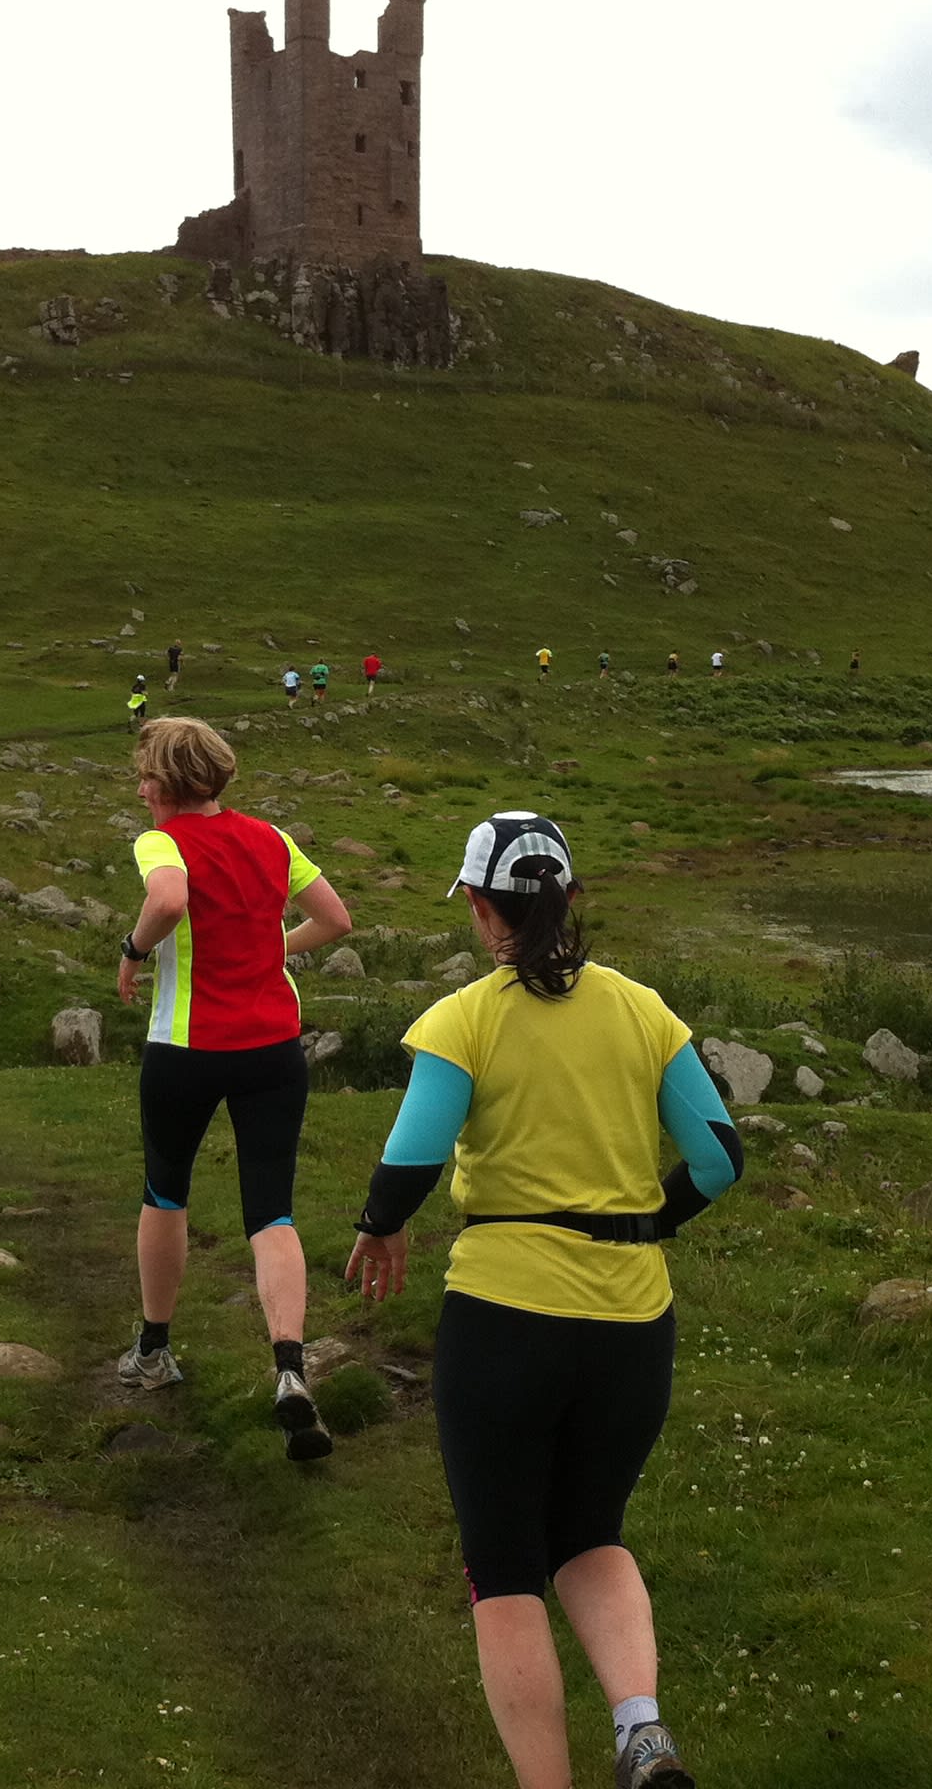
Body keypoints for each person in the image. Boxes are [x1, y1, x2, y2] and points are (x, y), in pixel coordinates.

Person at [346, 811, 739, 1789]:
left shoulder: (463, 1020)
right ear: (570, 899)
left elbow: (412, 1159)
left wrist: (381, 1224)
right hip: (632, 1324)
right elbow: (722, 1157)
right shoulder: (645, 1012)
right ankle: (642, 1730)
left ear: (484, 911)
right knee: (592, 1532)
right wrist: (647, 1222)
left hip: (504, 1319)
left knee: (504, 1567)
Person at [113, 717, 355, 1460]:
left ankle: (154, 1351)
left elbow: (168, 902)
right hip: (273, 1048)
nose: (141, 791)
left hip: (186, 1049)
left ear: (165, 783)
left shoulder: (161, 842)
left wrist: (132, 951)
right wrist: (271, 948)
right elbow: (336, 919)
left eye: (145, 778)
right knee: (271, 1211)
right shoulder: (272, 838)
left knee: (165, 1192)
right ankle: (290, 1368)